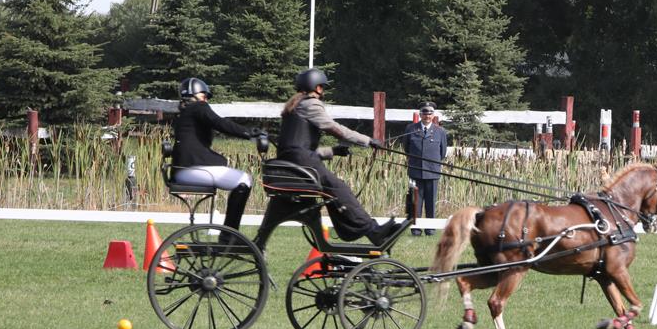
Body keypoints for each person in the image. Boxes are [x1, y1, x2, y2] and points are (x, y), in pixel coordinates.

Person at [275, 67, 400, 243]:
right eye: (322, 87)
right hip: (302, 162)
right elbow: (335, 128)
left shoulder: (296, 105)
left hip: (296, 160)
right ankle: (373, 230)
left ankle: (364, 229)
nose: (323, 91)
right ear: (316, 87)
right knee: (338, 187)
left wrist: (333, 151)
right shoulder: (311, 104)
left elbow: (298, 146)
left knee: (334, 190)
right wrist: (368, 140)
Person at [169, 77, 258, 237]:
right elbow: (220, 123)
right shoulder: (198, 107)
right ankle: (229, 236)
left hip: (182, 171)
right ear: (196, 95)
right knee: (244, 180)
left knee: (237, 176)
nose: (206, 99)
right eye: (204, 95)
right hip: (194, 169)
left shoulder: (183, 113)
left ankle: (228, 235)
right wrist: (249, 133)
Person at [400, 102, 448, 235]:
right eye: (425, 113)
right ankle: (416, 228)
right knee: (415, 201)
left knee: (431, 202)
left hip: (432, 171)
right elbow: (406, 148)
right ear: (420, 114)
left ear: (433, 115)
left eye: (430, 113)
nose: (427, 116)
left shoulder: (440, 131)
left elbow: (442, 152)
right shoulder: (411, 129)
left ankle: (430, 228)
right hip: (415, 170)